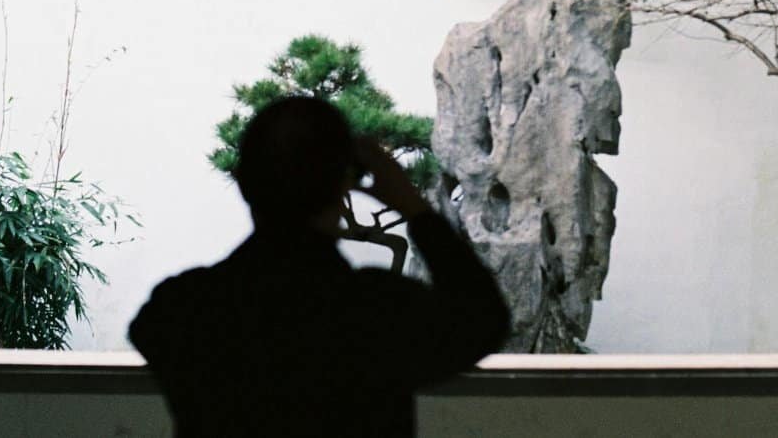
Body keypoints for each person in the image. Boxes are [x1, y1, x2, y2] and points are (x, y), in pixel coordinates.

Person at [129, 96, 510, 437]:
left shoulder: (183, 308)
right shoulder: (378, 312)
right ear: (344, 187)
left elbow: (147, 331)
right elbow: (483, 317)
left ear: (243, 183)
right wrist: (414, 206)